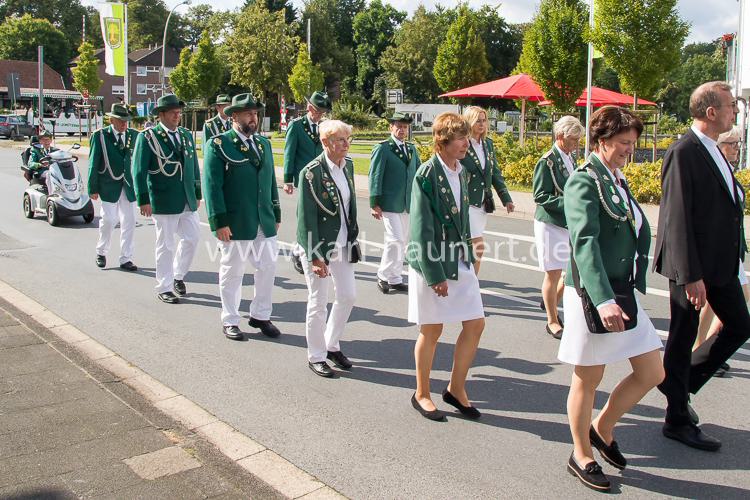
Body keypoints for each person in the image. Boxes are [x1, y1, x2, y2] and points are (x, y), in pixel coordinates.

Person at [560, 106, 664, 492]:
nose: (629, 151)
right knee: (589, 376)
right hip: (594, 293)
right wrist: (603, 299)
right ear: (601, 141)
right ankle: (580, 453)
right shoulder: (584, 181)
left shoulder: (615, 179)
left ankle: (602, 426)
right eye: (623, 143)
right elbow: (583, 242)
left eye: (632, 144)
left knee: (653, 371)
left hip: (621, 291)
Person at [654, 81, 750, 451]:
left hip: (718, 264)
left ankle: (679, 382)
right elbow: (675, 217)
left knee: (740, 325)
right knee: (681, 337)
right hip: (692, 266)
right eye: (730, 106)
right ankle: (676, 418)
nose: (735, 112)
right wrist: (689, 274)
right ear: (711, 112)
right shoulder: (685, 151)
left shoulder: (712, 149)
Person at [407, 112, 485, 422]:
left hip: (459, 260)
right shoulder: (426, 175)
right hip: (433, 263)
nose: (467, 142)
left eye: (466, 136)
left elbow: (463, 219)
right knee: (432, 329)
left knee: (476, 323)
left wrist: (472, 253)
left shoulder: (461, 171)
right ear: (443, 141)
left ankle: (456, 388)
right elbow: (421, 229)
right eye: (461, 137)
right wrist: (434, 274)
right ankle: (422, 393)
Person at [203, 94, 282, 341]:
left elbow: (270, 182)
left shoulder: (263, 144)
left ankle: (260, 314)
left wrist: (276, 211)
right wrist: (219, 221)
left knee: (268, 267)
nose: (253, 118)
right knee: (233, 271)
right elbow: (212, 186)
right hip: (235, 221)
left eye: (256, 114)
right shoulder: (219, 144)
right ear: (233, 116)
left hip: (263, 219)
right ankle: (230, 319)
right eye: (248, 114)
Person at [297, 120, 359, 378]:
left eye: (347, 139)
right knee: (318, 302)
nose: (346, 145)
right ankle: (316, 355)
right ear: (325, 142)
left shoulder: (349, 166)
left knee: (348, 295)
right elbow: (305, 219)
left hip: (343, 243)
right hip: (319, 245)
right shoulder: (311, 173)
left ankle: (331, 344)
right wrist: (314, 256)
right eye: (340, 140)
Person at [132, 94, 202, 304]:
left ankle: (178, 275)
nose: (177, 116)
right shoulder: (148, 137)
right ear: (161, 114)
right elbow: (138, 170)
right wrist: (143, 199)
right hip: (163, 198)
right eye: (173, 112)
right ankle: (164, 286)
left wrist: (197, 193)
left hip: (186, 198)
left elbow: (193, 167)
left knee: (192, 238)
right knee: (166, 244)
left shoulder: (185, 135)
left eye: (179, 112)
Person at [694, 126, 749, 377]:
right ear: (721, 144)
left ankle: (707, 349)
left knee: (728, 306)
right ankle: (702, 349)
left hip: (731, 252)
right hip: (717, 253)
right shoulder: (711, 168)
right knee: (718, 305)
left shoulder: (727, 169)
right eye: (734, 144)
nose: (737, 149)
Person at [533, 116, 585, 340]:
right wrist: (569, 204)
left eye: (578, 139)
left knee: (573, 269)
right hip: (550, 223)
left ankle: (551, 300)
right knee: (553, 273)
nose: (576, 144)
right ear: (560, 136)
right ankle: (552, 321)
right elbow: (540, 195)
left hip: (567, 222)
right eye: (573, 139)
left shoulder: (569, 158)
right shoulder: (547, 161)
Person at [460, 106, 514, 274]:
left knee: (470, 247)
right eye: (478, 121)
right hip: (466, 202)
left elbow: (495, 173)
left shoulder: (488, 144)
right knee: (477, 246)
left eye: (484, 120)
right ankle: (471, 283)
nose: (482, 124)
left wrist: (506, 198)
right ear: (469, 122)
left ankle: (467, 280)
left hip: (483, 202)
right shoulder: (462, 144)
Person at [369, 111, 419, 294]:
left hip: (407, 202)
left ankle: (395, 277)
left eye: (405, 127)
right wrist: (374, 202)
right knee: (395, 239)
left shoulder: (412, 149)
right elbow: (375, 175)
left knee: (403, 240)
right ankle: (383, 275)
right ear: (391, 127)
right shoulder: (383, 148)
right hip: (389, 203)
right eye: (398, 126)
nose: (402, 130)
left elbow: (418, 174)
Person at [284, 91, 332, 275]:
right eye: (317, 111)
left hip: (322, 178)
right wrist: (288, 179)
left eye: (322, 112)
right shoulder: (296, 126)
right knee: (305, 215)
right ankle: (298, 250)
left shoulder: (324, 127)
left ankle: (310, 248)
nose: (320, 115)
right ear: (309, 108)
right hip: (303, 178)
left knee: (319, 215)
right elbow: (289, 152)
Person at [88, 103, 139, 272]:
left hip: (129, 185)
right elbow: (93, 162)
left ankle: (126, 257)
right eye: (120, 120)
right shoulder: (101, 136)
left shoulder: (134, 135)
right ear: (111, 120)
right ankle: (101, 251)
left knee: (130, 221)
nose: (124, 124)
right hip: (108, 184)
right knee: (109, 220)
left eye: (126, 120)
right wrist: (92, 187)